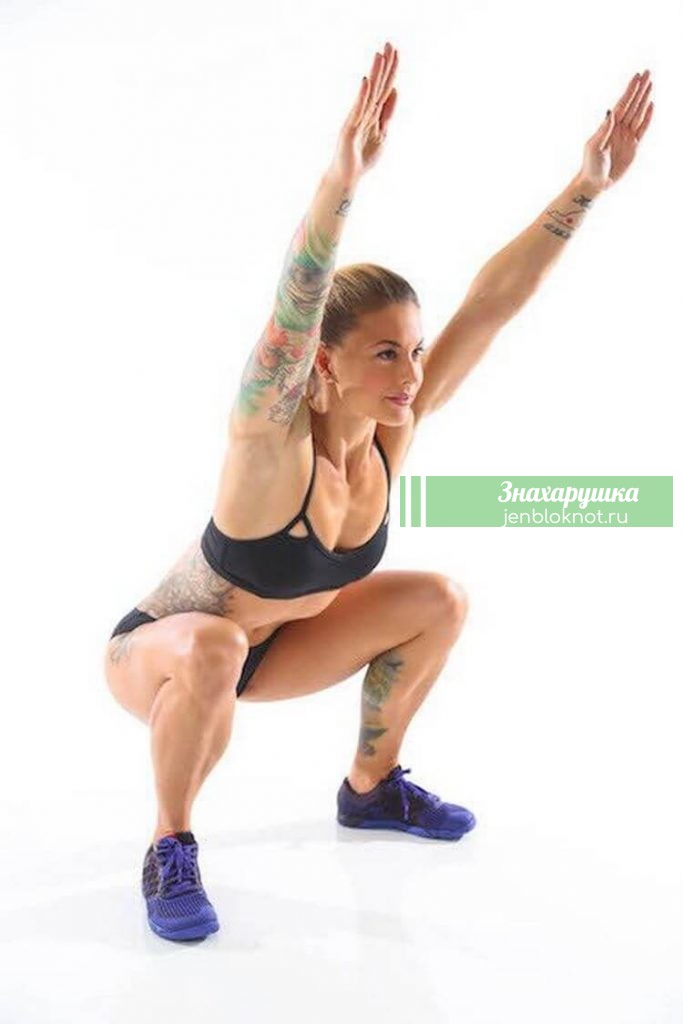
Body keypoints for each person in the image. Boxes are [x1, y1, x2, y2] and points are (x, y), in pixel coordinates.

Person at [103, 43, 655, 941]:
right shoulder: (267, 438)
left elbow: (490, 305)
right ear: (323, 363)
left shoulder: (395, 429)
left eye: (415, 351)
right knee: (213, 642)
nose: (410, 374)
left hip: (275, 649)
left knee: (439, 599)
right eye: (386, 353)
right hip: (163, 656)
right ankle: (170, 847)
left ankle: (370, 789)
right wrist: (341, 181)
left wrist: (584, 190)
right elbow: (294, 305)